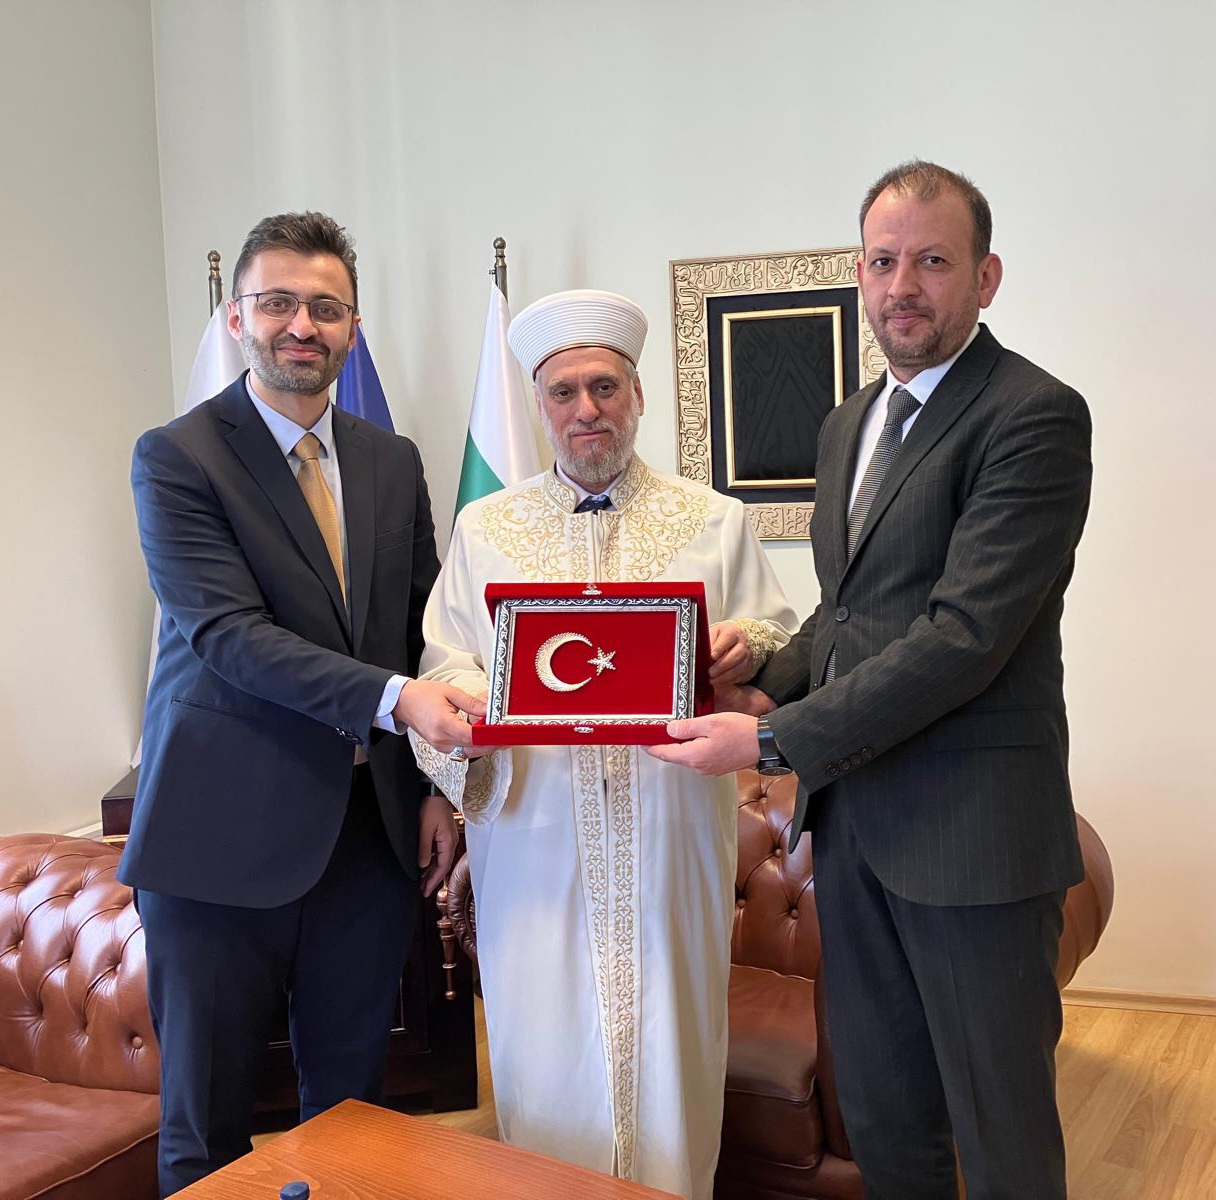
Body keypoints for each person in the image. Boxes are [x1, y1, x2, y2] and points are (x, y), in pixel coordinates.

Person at [650, 162, 1092, 1200]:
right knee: (888, 1126)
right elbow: (846, 613)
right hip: (852, 839)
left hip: (975, 844)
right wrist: (761, 676)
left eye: (932, 261)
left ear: (985, 278)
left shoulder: (1032, 416)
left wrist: (769, 740)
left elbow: (962, 638)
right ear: (859, 273)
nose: (904, 286)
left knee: (1003, 1140)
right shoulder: (850, 423)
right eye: (884, 261)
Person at [120, 211, 484, 1196]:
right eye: (278, 302)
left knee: (353, 1123)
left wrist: (433, 791)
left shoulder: (391, 460)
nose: (301, 326)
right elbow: (228, 635)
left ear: (353, 329)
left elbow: (420, 628)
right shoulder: (177, 457)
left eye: (326, 308)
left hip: (365, 844)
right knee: (205, 1128)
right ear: (237, 317)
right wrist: (401, 700)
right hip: (215, 844)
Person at [410, 289, 796, 1200]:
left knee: (673, 1040)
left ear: (638, 396)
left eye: (605, 388)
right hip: (534, 839)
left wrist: (747, 645)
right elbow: (444, 659)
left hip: (673, 830)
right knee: (544, 1042)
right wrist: (469, 705)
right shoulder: (484, 527)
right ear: (540, 406)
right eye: (564, 392)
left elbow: (780, 635)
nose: (586, 410)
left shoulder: (716, 520)